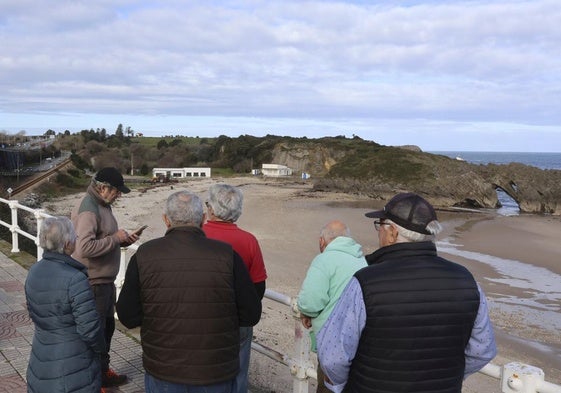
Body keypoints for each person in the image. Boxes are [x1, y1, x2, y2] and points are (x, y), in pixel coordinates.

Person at [317, 192, 497, 393]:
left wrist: (343, 386)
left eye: (380, 225)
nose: (379, 232)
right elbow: (482, 351)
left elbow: (332, 358)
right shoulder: (467, 281)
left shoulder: (365, 282)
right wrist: (446, 378)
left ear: (393, 232)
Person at [116, 190, 262, 393]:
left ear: (166, 220)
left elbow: (128, 316)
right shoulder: (227, 255)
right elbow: (251, 314)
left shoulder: (145, 254)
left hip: (164, 369)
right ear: (202, 219)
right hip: (216, 371)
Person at [71, 167, 139, 388]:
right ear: (102, 187)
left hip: (104, 282)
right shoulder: (89, 209)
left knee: (106, 331)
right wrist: (115, 239)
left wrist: (123, 241)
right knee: (95, 334)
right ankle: (93, 380)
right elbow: (84, 248)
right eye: (117, 191)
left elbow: (105, 239)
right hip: (93, 283)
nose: (119, 195)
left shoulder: (102, 205)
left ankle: (102, 373)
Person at [25, 216, 105, 393]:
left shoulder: (33, 271)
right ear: (68, 243)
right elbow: (89, 329)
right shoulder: (75, 279)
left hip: (41, 355)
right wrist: (101, 349)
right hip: (73, 362)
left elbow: (33, 312)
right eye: (74, 236)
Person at [203, 183, 267, 393]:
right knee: (239, 373)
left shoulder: (198, 234)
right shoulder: (248, 241)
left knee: (204, 371)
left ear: (211, 208)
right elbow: (258, 287)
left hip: (201, 316)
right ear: (238, 210)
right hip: (237, 319)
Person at [297, 220, 367, 393]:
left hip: (332, 344)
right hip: (361, 340)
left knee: (328, 387)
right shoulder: (362, 260)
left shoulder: (324, 260)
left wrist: (305, 312)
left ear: (322, 241)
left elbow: (310, 302)